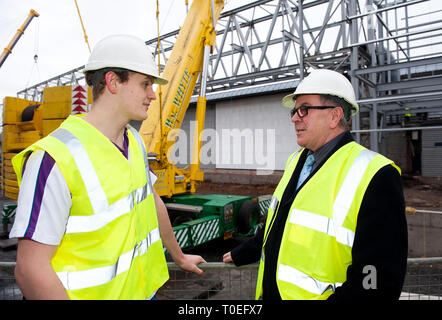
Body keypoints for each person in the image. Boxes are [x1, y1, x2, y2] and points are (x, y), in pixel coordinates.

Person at [9, 34, 206, 300]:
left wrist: (179, 256)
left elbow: (151, 200)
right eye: (145, 84)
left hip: (144, 293)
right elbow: (31, 269)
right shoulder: (53, 158)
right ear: (113, 82)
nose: (152, 95)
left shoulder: (134, 141)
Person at [223, 69, 408, 300]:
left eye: (304, 109)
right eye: (294, 110)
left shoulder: (375, 174)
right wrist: (248, 250)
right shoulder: (296, 161)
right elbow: (283, 220)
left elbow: (377, 281)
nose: (294, 118)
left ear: (334, 116)